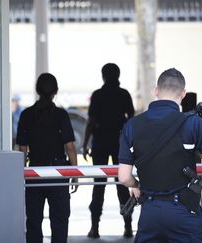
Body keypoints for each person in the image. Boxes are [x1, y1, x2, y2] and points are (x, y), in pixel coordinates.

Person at [118, 68, 202, 242]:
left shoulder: (132, 125)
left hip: (149, 212)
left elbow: (124, 177)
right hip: (183, 211)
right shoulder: (193, 123)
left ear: (156, 91)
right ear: (183, 94)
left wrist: (137, 184)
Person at [16, 73, 78, 243]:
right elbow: (70, 147)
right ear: (55, 91)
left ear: (37, 90)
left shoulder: (26, 115)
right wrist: (75, 173)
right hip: (58, 174)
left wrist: (22, 173)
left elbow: (22, 148)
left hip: (34, 174)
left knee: (34, 222)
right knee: (59, 222)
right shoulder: (61, 115)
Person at [82, 63, 135, 239]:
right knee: (123, 184)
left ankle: (94, 228)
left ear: (103, 76)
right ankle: (128, 227)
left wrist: (85, 143)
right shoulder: (124, 94)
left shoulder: (98, 95)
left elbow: (91, 121)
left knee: (99, 185)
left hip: (100, 143)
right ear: (118, 75)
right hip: (120, 143)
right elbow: (131, 120)